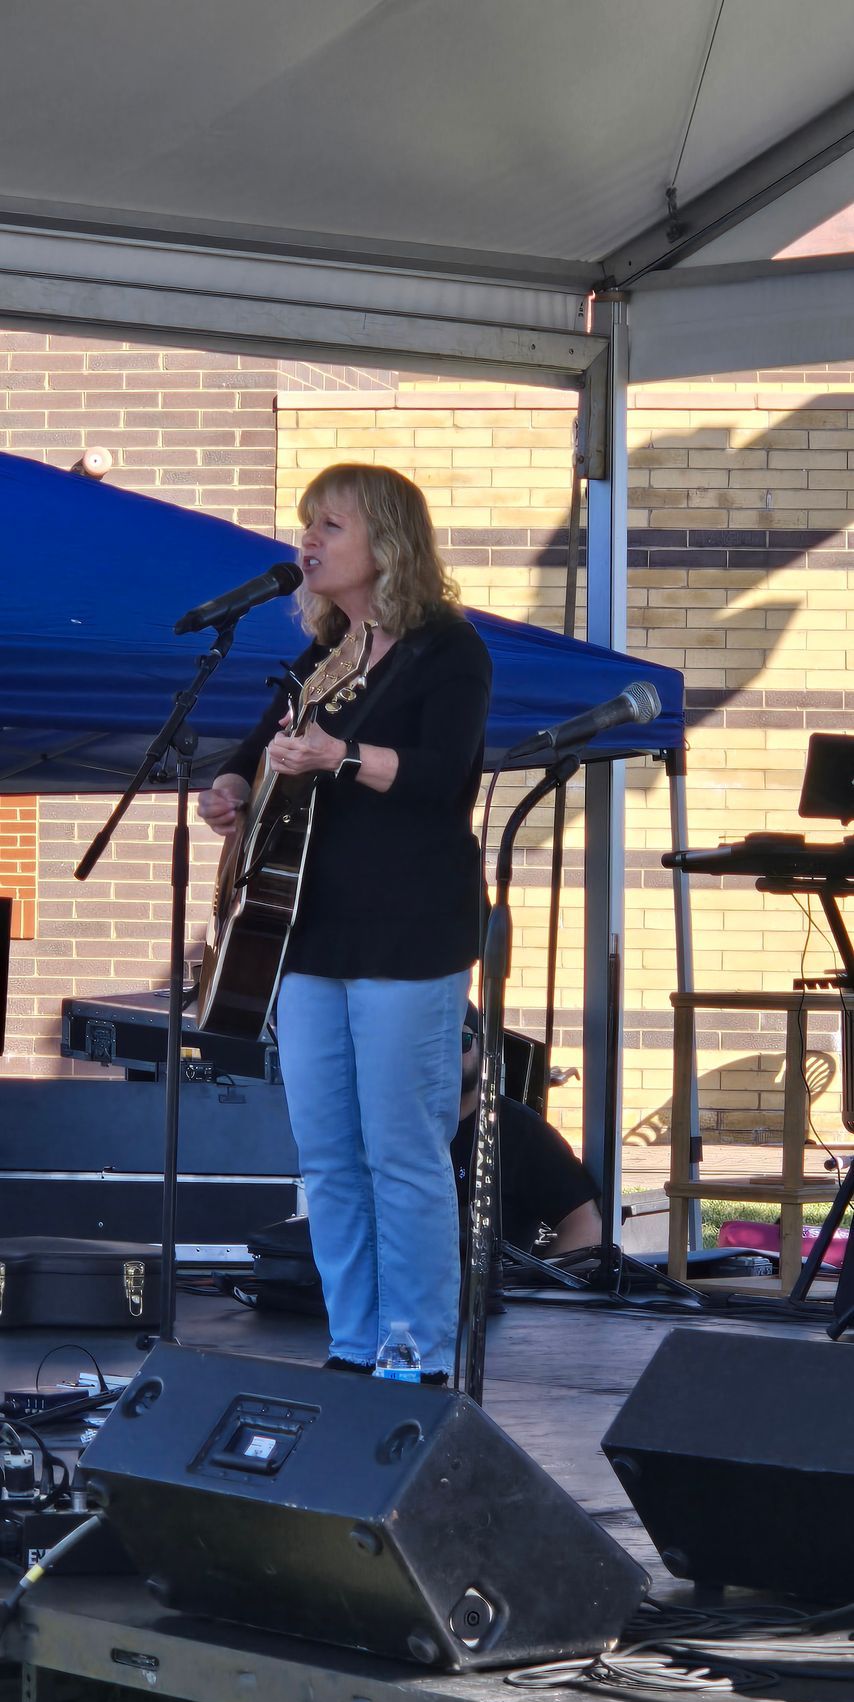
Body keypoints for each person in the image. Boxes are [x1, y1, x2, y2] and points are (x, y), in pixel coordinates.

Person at [198, 463, 492, 1383]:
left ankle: (416, 1348)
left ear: (386, 541)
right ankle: (353, 1342)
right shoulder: (324, 658)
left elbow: (446, 776)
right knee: (327, 1154)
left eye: (329, 525)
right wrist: (234, 783)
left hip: (408, 932)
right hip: (306, 932)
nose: (309, 542)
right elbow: (257, 752)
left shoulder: (447, 651)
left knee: (402, 1148)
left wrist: (346, 754)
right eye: (305, 525)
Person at [452, 1011, 601, 1265]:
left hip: (492, 1300)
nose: (445, 1053)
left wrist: (521, 1287)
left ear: (483, 1046)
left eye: (461, 1041)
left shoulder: (521, 1132)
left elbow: (587, 1228)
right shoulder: (391, 1129)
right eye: (433, 1042)